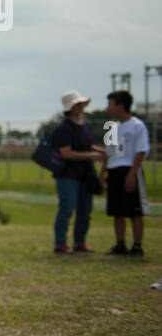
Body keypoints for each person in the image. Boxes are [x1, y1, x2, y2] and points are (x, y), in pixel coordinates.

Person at [48, 89, 104, 254]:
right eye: (78, 105)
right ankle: (60, 243)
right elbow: (67, 153)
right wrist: (92, 155)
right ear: (71, 107)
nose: (81, 107)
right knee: (67, 208)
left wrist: (101, 151)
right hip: (68, 175)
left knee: (85, 210)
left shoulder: (85, 125)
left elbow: (87, 145)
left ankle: (80, 242)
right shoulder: (63, 129)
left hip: (85, 173)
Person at [102, 90, 149, 256]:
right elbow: (108, 153)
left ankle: (137, 245)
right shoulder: (113, 128)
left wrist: (132, 174)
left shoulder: (137, 125)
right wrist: (103, 174)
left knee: (134, 211)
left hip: (129, 170)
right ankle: (120, 244)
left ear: (121, 106)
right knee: (117, 211)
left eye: (110, 104)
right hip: (114, 171)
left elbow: (141, 151)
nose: (108, 108)